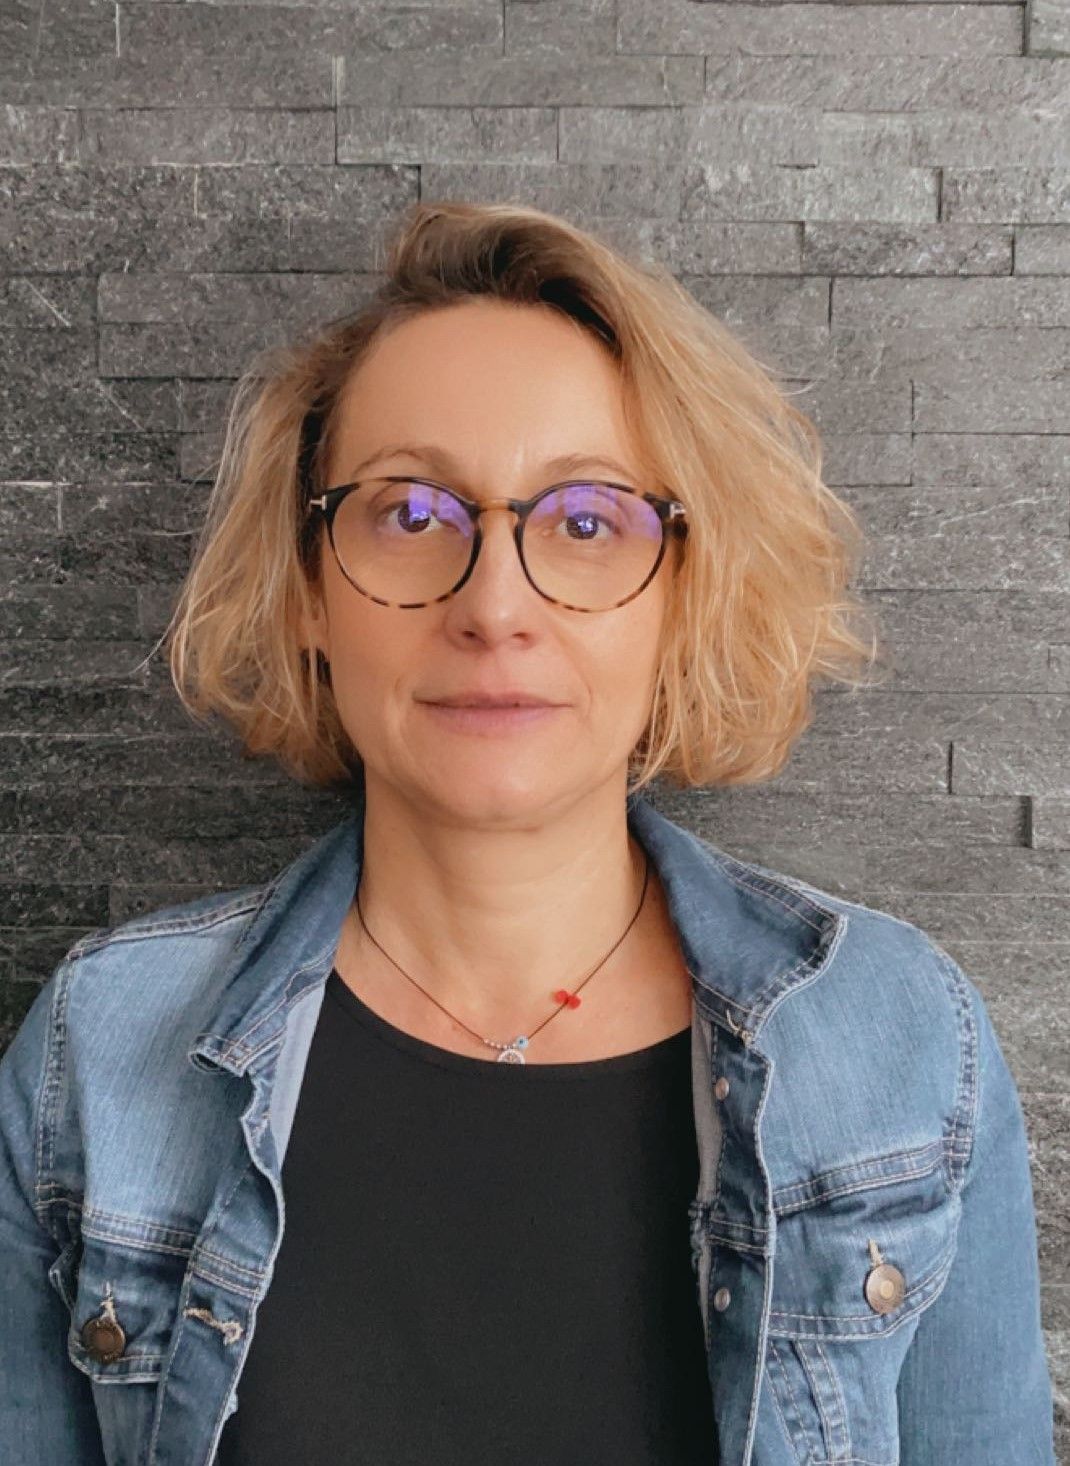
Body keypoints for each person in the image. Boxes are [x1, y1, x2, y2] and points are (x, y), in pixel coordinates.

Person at [0, 200, 1055, 1465]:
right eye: (409, 514)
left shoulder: (900, 1041)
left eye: (587, 520)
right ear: (309, 588)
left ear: (682, 591)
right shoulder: (101, 1053)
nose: (494, 604)